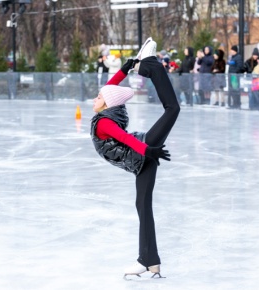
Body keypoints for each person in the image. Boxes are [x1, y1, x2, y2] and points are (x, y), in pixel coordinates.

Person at [90, 37, 180, 278]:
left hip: (142, 152)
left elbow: (125, 138)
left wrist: (149, 150)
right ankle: (149, 261)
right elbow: (110, 90)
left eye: (98, 98)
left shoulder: (106, 122)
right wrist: (125, 69)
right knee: (142, 205)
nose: (94, 99)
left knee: (173, 108)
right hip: (141, 160)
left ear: (105, 103)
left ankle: (151, 65)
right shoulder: (109, 109)